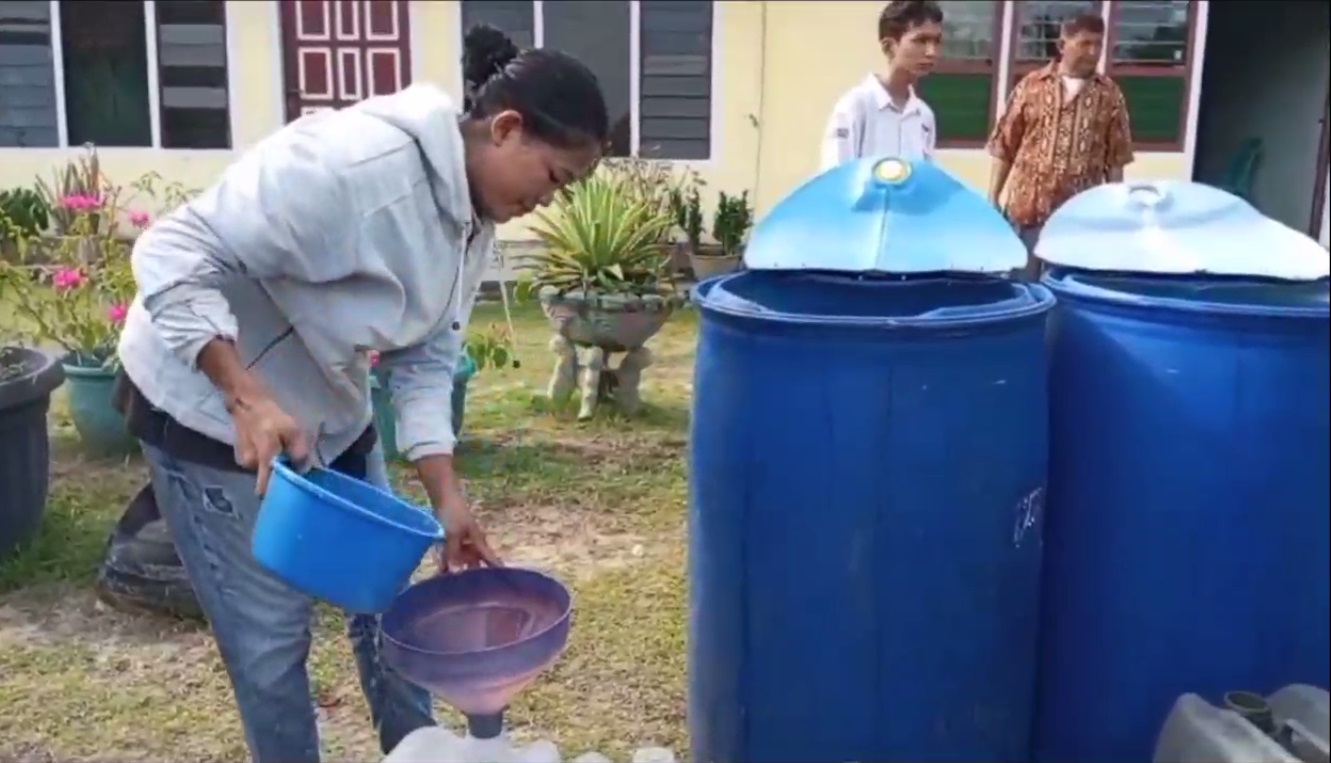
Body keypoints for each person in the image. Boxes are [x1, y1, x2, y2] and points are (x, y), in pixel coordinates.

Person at [112, 24, 608, 763]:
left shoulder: (473, 214)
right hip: (210, 412)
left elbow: (426, 350)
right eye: (555, 178)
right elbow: (172, 250)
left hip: (326, 407)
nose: (551, 200)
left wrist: (445, 494)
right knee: (272, 639)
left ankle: (415, 749)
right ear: (506, 128)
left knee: (386, 604)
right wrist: (245, 397)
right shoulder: (350, 169)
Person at [986, 13, 1135, 278]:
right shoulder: (1031, 86)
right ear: (1063, 45)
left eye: (1098, 45)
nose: (1092, 52)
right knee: (1023, 287)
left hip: (1079, 221)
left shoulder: (1109, 95)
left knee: (1066, 292)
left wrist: (1114, 211)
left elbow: (1116, 160)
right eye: (1085, 43)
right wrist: (993, 198)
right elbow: (1005, 145)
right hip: (1028, 212)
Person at [819, 0, 943, 171]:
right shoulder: (856, 107)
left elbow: (925, 183)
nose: (931, 52)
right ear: (888, 46)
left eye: (936, 41)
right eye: (921, 40)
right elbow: (835, 181)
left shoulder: (924, 116)